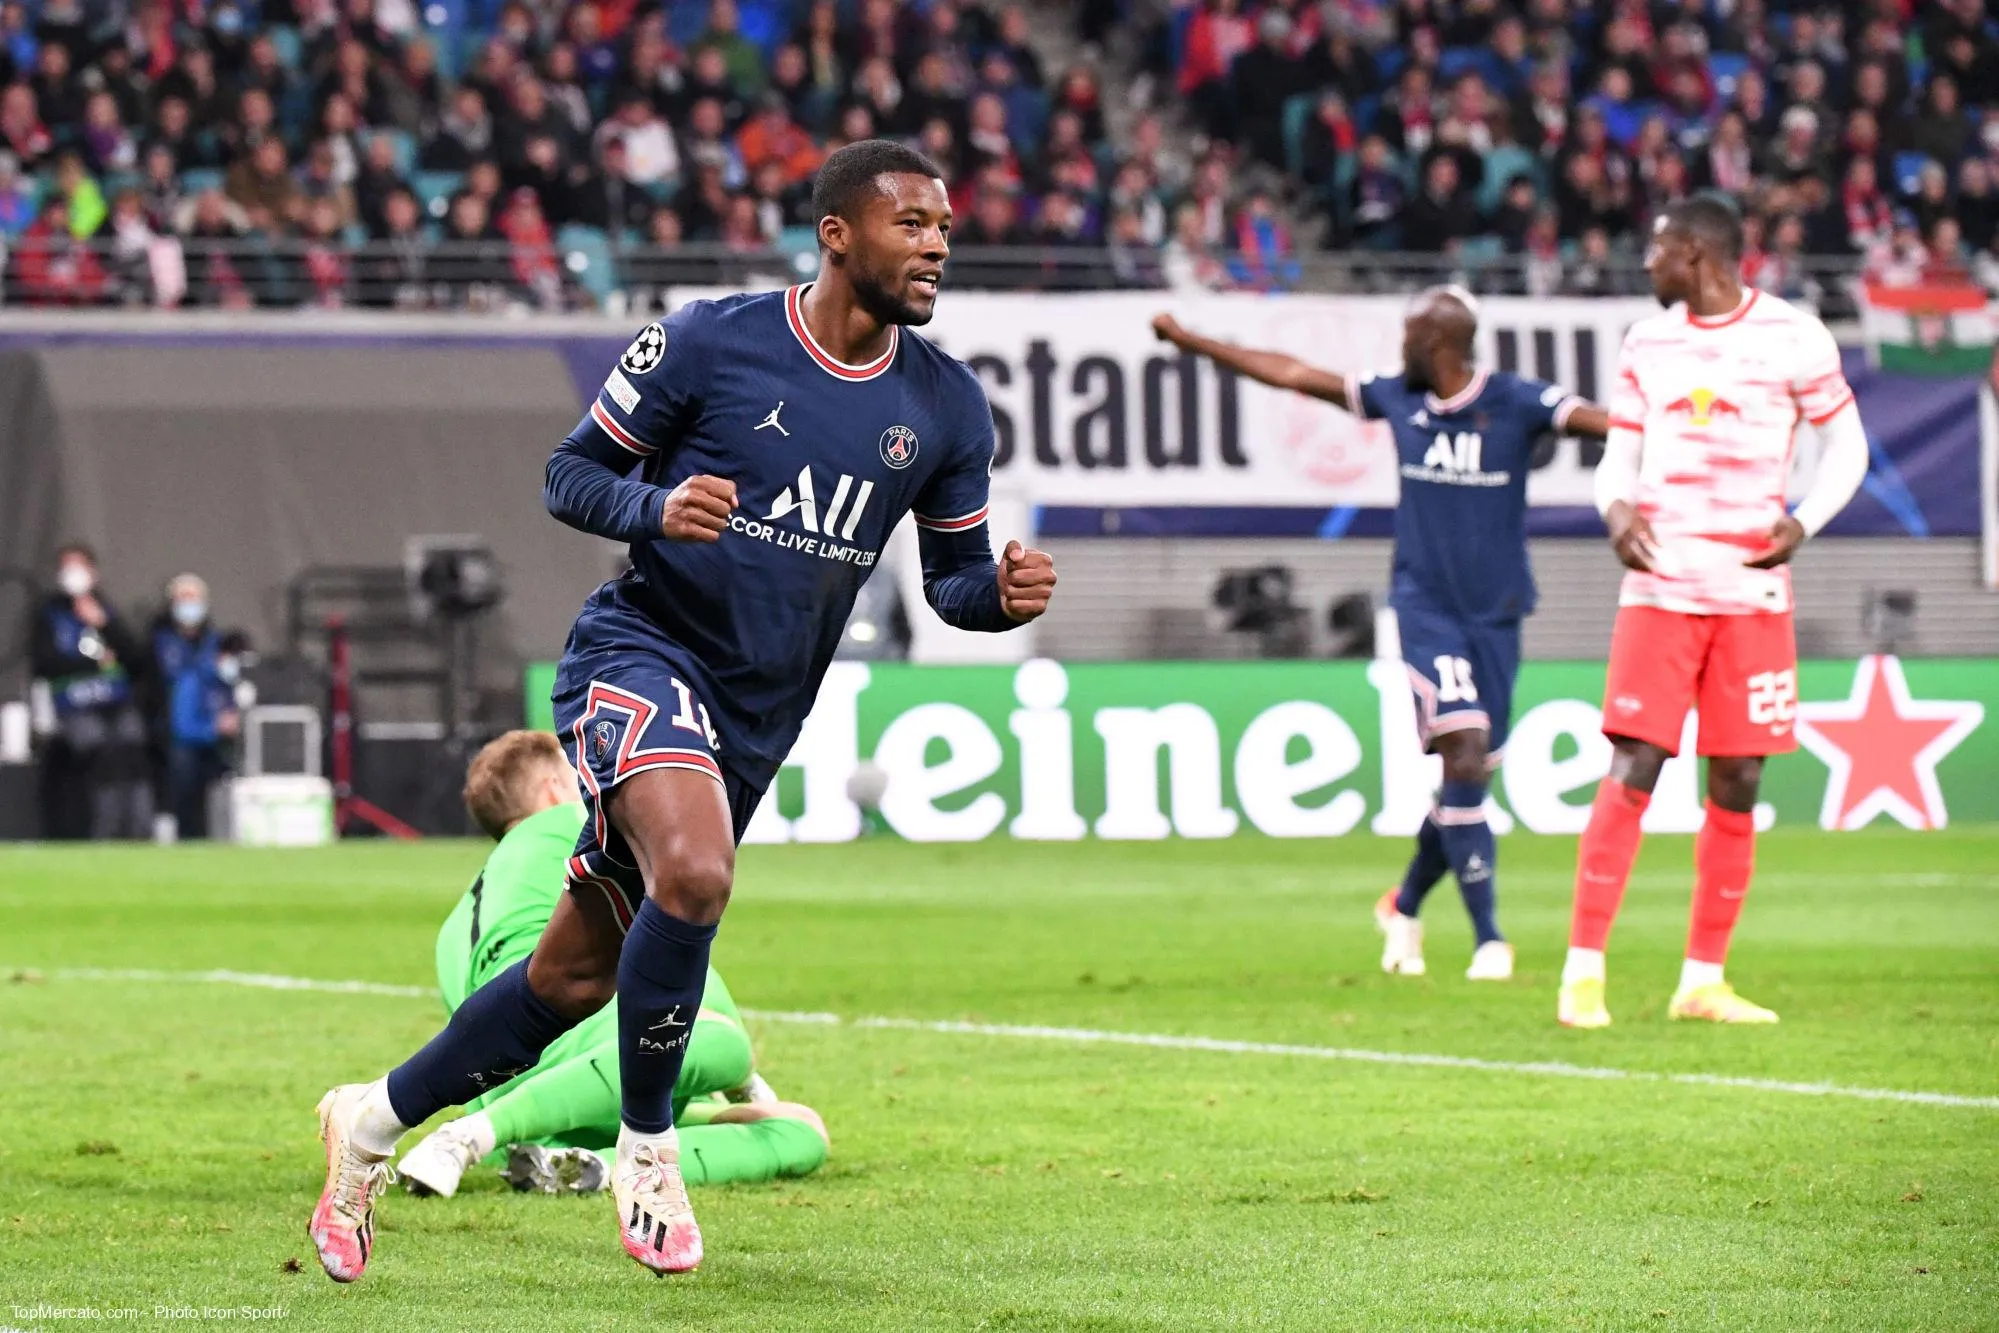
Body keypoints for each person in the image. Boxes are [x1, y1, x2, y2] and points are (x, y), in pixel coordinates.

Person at [309, 139, 1058, 1282]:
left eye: (945, 226)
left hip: (759, 713)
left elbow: (952, 584)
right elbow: (570, 475)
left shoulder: (947, 405)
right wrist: (657, 508)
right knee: (697, 875)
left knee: (571, 979)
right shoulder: (714, 340)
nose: (937, 244)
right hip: (641, 653)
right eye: (912, 222)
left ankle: (366, 1126)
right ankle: (648, 1151)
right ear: (837, 233)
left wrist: (999, 599)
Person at [1152, 292, 1610, 981]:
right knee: (1462, 749)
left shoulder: (1516, 401)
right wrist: (1196, 344)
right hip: (1425, 608)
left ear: (1436, 343)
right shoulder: (1396, 397)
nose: (1398, 348)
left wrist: (1688, 424)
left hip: (1498, 611)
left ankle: (1401, 905)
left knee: (1471, 775)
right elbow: (1292, 373)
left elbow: (1597, 421)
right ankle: (1489, 938)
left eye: (1407, 335)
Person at [1560, 196, 1869, 1030]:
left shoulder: (1795, 338)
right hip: (1659, 592)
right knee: (1634, 764)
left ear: (1695, 252)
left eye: (1657, 248)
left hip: (1751, 597)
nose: (1646, 262)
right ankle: (1581, 972)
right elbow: (1617, 453)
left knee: (1736, 780)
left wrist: (1803, 521)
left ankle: (1702, 978)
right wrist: (1615, 510)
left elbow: (1849, 446)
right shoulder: (1646, 342)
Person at [394, 731, 828, 1200]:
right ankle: (470, 1136)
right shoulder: (576, 822)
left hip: (536, 1094)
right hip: (571, 1044)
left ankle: (592, 1167)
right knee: (722, 1044)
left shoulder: (455, 926)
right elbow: (670, 938)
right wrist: (742, 1079)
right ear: (554, 790)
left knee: (801, 1128)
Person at [29, 544, 152, 840]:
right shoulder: (49, 614)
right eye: (67, 568)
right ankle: (106, 833)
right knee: (101, 753)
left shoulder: (105, 610)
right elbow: (45, 663)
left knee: (133, 750)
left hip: (115, 702)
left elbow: (134, 658)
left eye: (80, 567)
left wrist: (103, 624)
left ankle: (140, 831)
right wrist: (94, 662)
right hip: (75, 705)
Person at [147, 573, 240, 840]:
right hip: (179, 731)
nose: (189, 606)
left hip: (215, 731)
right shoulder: (160, 645)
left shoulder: (217, 644)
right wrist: (212, 727)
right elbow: (179, 718)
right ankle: (174, 827)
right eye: (183, 599)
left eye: (194, 599)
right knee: (181, 764)